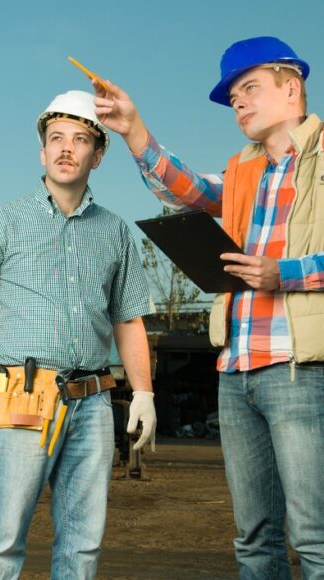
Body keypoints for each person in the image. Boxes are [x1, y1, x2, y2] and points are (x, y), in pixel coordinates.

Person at [93, 36, 324, 577]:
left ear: (291, 88)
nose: (238, 102)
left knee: (315, 537)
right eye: (231, 96)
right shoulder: (243, 168)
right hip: (236, 371)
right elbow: (190, 191)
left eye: (249, 88)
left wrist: (284, 274)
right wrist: (134, 131)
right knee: (254, 538)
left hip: (301, 372)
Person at [0, 90, 157, 579]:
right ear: (42, 150)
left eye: (80, 139)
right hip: (22, 396)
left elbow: (128, 320)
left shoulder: (115, 232)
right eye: (56, 138)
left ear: (98, 153)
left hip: (92, 405)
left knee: (83, 546)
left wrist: (145, 393)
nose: (67, 148)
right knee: (3, 542)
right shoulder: (5, 221)